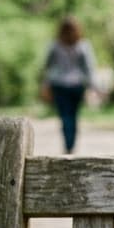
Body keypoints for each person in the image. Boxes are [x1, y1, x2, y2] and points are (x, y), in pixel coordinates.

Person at [41, 17, 97, 154]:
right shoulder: (83, 45)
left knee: (65, 116)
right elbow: (89, 68)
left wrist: (45, 84)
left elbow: (47, 67)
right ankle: (71, 143)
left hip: (60, 84)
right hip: (77, 84)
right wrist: (92, 86)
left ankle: (68, 143)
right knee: (73, 115)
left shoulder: (54, 45)